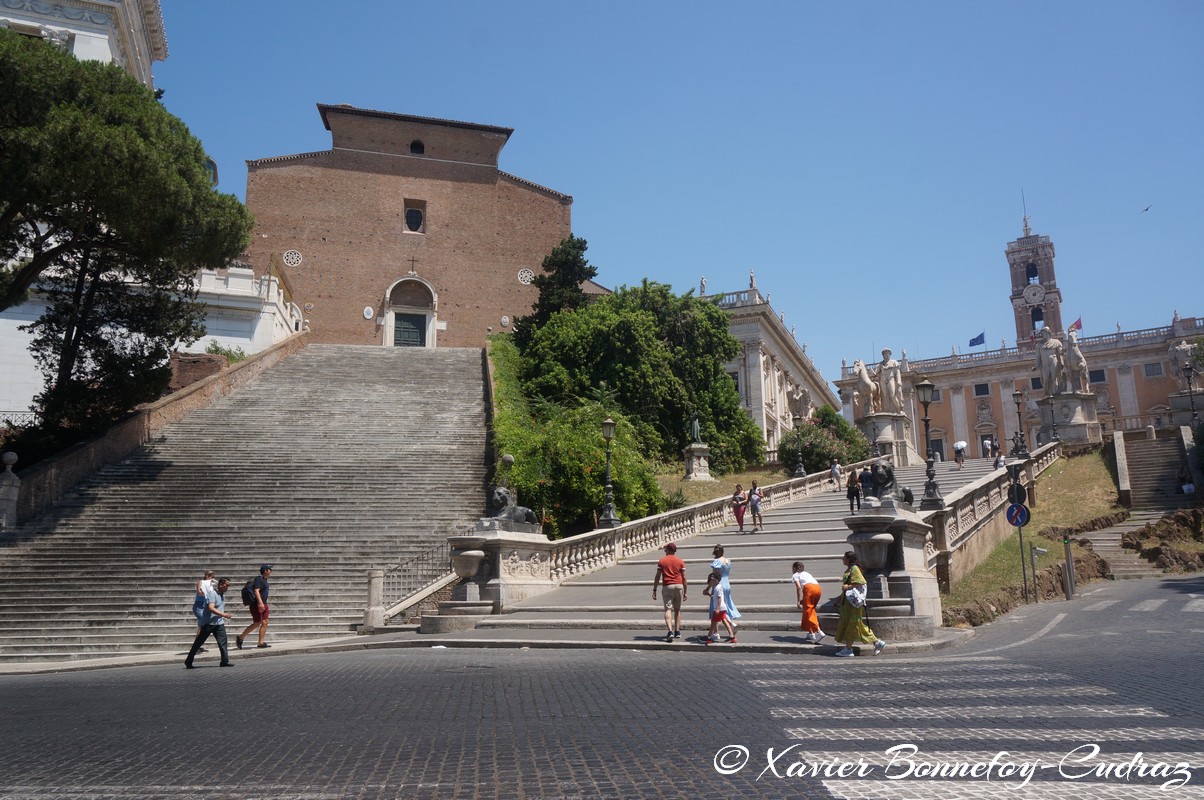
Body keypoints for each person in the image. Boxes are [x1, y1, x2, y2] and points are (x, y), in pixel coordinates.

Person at [834, 551, 885, 658]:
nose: (842, 559)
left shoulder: (854, 569)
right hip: (847, 603)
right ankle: (876, 643)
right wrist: (839, 599)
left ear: (849, 559)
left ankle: (849, 649)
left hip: (852, 604)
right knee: (854, 624)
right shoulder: (850, 569)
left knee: (853, 624)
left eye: (844, 557)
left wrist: (847, 587)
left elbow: (860, 582)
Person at [185, 577, 234, 668]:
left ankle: (224, 661)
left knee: (223, 642)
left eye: (228, 585)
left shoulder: (222, 595)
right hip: (208, 623)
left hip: (219, 623)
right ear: (220, 585)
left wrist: (222, 616)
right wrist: (223, 614)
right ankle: (188, 661)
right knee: (198, 643)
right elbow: (210, 608)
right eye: (226, 585)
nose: (228, 587)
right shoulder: (212, 594)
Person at [652, 543, 687, 642]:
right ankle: (677, 631)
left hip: (667, 586)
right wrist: (685, 591)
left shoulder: (662, 561)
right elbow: (684, 578)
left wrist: (654, 589)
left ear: (667, 550)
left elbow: (658, 576)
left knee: (668, 609)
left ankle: (670, 631)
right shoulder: (680, 561)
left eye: (665, 550)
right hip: (679, 585)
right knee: (677, 609)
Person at [237, 564, 273, 650]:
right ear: (265, 571)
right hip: (257, 604)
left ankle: (261, 642)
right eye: (270, 569)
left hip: (264, 603)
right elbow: (256, 590)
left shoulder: (265, 580)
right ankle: (240, 638)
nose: (271, 571)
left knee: (265, 622)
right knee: (257, 623)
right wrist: (260, 603)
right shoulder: (258, 579)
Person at [709, 546, 741, 635]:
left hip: (719, 584)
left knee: (717, 606)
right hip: (727, 583)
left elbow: (714, 575)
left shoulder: (716, 561)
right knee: (725, 605)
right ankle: (729, 625)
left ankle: (723, 628)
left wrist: (708, 587)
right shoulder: (727, 561)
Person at [791, 561, 824, 644]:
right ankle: (811, 632)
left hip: (809, 589)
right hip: (818, 589)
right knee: (810, 610)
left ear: (794, 568)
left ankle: (819, 631)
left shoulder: (795, 575)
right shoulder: (806, 573)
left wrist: (798, 601)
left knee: (809, 611)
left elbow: (799, 587)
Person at [703, 572, 736, 644]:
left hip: (719, 608)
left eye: (712, 580)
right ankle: (732, 636)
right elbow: (714, 597)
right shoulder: (716, 587)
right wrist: (708, 594)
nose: (711, 582)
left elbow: (719, 598)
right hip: (721, 608)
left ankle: (709, 637)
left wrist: (717, 609)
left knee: (713, 623)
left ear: (716, 580)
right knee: (724, 621)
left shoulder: (719, 587)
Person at [873, 348, 903, 413]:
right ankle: (887, 411)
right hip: (883, 380)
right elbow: (875, 373)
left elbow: (897, 373)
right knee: (884, 396)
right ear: (883, 355)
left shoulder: (894, 362)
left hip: (890, 379)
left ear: (890, 354)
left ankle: (898, 409)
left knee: (893, 395)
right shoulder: (880, 364)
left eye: (888, 353)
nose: (887, 355)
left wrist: (898, 381)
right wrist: (872, 373)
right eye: (885, 353)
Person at [192, 570, 216, 650]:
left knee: (201, 626)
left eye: (212, 577)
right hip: (199, 606)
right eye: (209, 576)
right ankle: (196, 645)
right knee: (203, 625)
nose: (211, 578)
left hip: (205, 606)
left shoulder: (211, 585)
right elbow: (199, 592)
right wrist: (206, 592)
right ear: (206, 576)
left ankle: (197, 645)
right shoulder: (201, 582)